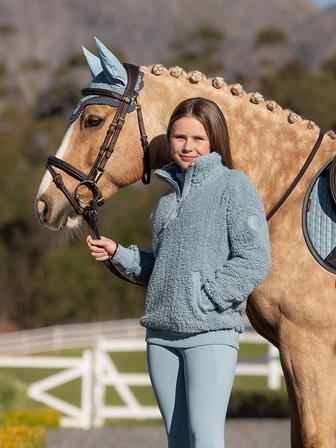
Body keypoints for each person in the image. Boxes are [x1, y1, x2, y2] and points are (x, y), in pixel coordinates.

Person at [86, 97, 272, 448]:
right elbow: (161, 269)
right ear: (169, 140)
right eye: (179, 137)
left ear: (214, 140)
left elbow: (255, 259)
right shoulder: (165, 203)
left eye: (197, 139)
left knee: (205, 438)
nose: (187, 147)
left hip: (210, 333)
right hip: (160, 336)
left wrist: (206, 298)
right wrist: (118, 254)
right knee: (178, 440)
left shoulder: (235, 187)